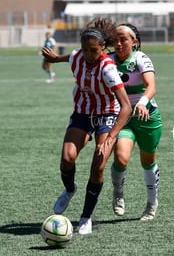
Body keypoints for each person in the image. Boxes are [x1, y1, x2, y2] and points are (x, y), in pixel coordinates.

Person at [41, 18, 132, 235]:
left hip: (107, 115)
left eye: (94, 50)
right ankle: (70, 190)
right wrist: (55, 58)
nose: (89, 54)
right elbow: (69, 57)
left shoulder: (108, 69)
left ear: (103, 48)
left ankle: (85, 217)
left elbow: (126, 106)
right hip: (82, 113)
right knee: (67, 157)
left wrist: (111, 137)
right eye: (85, 49)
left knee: (98, 165)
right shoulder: (77, 56)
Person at [109, 23, 162, 221]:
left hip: (147, 116)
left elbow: (151, 86)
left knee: (148, 162)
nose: (119, 43)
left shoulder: (141, 58)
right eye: (116, 40)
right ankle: (118, 194)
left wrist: (141, 102)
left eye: (124, 39)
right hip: (124, 118)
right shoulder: (109, 60)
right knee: (121, 158)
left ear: (134, 42)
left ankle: (151, 204)